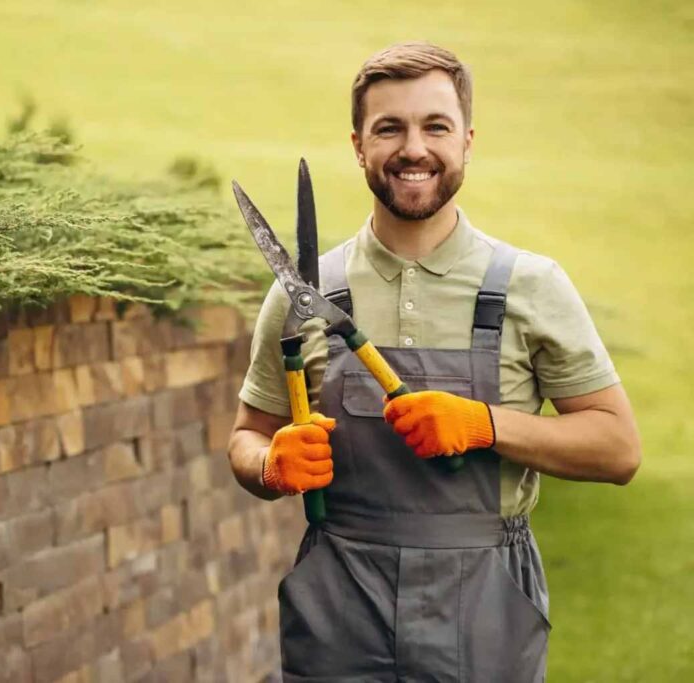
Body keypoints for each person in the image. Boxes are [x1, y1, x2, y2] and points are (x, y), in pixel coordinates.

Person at [227, 42, 642, 682]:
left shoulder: (531, 285)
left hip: (486, 604)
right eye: (389, 127)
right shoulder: (303, 294)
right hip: (339, 603)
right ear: (359, 145)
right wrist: (270, 463)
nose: (413, 148)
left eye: (435, 126)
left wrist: (486, 425)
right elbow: (247, 437)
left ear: (467, 141)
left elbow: (618, 449)